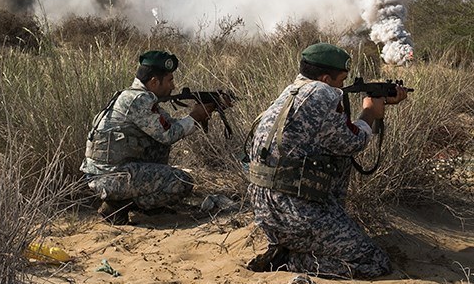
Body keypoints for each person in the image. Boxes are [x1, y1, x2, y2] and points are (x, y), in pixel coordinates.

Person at [246, 43, 409, 278]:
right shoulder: (323, 93)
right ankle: (290, 261)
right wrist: (370, 113)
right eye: (341, 80)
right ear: (325, 78)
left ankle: (297, 244)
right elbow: (353, 142)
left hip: (267, 210)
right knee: (376, 263)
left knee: (336, 158)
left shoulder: (291, 91)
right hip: (295, 213)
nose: (342, 87)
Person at [80, 50, 227, 225]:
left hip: (109, 173)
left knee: (159, 149)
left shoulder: (135, 96)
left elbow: (167, 126)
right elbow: (168, 134)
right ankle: (117, 206)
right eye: (170, 80)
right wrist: (195, 116)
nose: (173, 86)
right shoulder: (138, 100)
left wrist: (203, 112)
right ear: (154, 81)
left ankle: (146, 205)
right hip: (110, 177)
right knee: (181, 182)